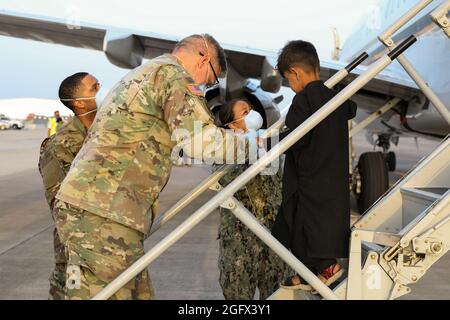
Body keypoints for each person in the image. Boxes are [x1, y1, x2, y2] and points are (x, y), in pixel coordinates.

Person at [52, 34, 256, 299]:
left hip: (94, 206)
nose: (207, 85)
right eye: (212, 78)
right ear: (203, 57)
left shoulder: (144, 73)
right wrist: (258, 144)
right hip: (104, 211)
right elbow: (201, 142)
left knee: (119, 293)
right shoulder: (173, 76)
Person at [271, 40, 357, 290]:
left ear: (295, 72)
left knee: (293, 223)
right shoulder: (335, 99)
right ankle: (308, 272)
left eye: (288, 79)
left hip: (308, 180)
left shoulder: (304, 100)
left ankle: (327, 267)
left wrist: (266, 144)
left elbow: (297, 137)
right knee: (310, 228)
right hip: (332, 177)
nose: (291, 86)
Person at [215, 98, 292, 299]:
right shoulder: (224, 148)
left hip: (273, 236)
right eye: (245, 112)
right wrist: (247, 144)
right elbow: (226, 178)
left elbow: (278, 175)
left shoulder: (268, 141)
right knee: (238, 296)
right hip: (240, 242)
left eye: (251, 110)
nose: (252, 114)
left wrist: (261, 143)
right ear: (232, 125)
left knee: (278, 293)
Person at [38, 72, 100, 299]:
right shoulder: (60, 146)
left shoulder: (111, 135)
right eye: (95, 88)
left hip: (115, 245)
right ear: (79, 103)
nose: (102, 92)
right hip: (77, 248)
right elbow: (59, 205)